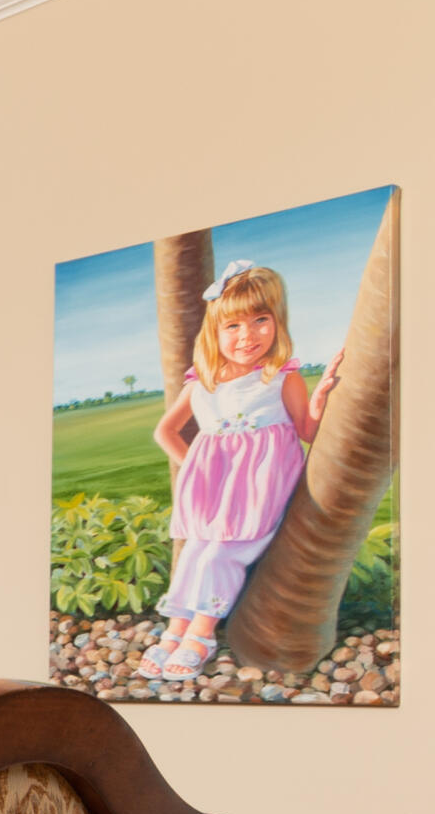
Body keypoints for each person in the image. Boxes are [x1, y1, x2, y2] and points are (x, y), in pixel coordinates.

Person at [140, 260, 346, 682]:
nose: (247, 335)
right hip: (214, 497)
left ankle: (202, 633)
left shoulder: (279, 377)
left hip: (260, 493)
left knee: (221, 555)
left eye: (260, 320)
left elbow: (306, 431)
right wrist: (199, 469)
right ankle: (174, 630)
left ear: (278, 321)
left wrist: (321, 397)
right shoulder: (204, 382)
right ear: (214, 333)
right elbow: (166, 431)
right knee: (196, 553)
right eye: (232, 326)